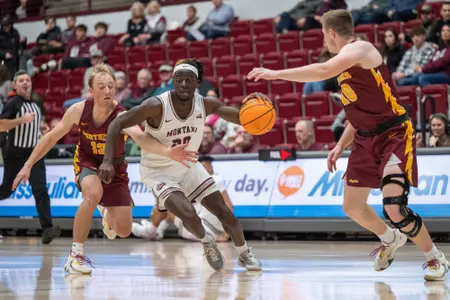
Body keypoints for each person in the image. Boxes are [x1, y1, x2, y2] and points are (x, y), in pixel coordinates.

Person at [248, 9, 449, 281]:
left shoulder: (361, 49)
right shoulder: (345, 70)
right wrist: (340, 145)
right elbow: (358, 114)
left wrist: (275, 74)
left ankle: (435, 257)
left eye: (323, 34)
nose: (323, 40)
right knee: (352, 207)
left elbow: (322, 70)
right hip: (365, 138)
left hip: (393, 133)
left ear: (331, 32)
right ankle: (390, 238)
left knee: (394, 207)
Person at [12, 64, 197, 275]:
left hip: (116, 167)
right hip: (87, 160)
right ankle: (75, 256)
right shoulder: (79, 110)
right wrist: (27, 165)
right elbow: (51, 137)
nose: (107, 90)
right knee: (92, 193)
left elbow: (142, 139)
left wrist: (168, 151)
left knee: (124, 230)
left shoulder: (122, 115)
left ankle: (105, 213)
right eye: (101, 87)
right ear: (91, 91)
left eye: (111, 86)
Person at [99, 59, 262, 272]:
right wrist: (107, 160)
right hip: (157, 170)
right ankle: (207, 241)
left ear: (197, 83)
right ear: (174, 82)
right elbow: (117, 123)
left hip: (187, 165)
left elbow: (241, 117)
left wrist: (255, 109)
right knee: (188, 213)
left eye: (189, 80)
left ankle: (244, 253)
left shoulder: (204, 104)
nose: (184, 84)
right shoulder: (156, 105)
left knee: (224, 213)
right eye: (179, 80)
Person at [0, 70, 60, 244]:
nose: (25, 83)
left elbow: (34, 124)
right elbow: (1, 124)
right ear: (15, 85)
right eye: (21, 80)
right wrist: (21, 121)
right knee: (6, 191)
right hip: (15, 154)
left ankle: (47, 229)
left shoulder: (35, 105)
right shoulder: (13, 104)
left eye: (27, 80)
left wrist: (41, 129)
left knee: (41, 190)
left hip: (34, 154)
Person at [132, 155, 233, 242]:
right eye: (206, 165)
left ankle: (152, 231)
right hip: (213, 231)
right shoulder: (209, 181)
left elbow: (228, 207)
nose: (210, 167)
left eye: (209, 165)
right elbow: (228, 207)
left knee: (166, 204)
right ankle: (158, 230)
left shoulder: (211, 179)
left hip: (204, 231)